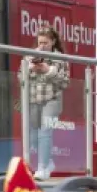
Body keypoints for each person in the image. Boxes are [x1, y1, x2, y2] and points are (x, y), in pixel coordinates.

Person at [20, 26, 70, 180]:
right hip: (34, 100)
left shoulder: (60, 58)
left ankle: (42, 168)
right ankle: (48, 161)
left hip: (52, 100)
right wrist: (30, 69)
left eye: (46, 43)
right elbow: (20, 78)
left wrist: (48, 71)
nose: (42, 46)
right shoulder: (30, 56)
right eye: (40, 42)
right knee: (33, 136)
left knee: (45, 132)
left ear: (53, 42)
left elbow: (65, 82)